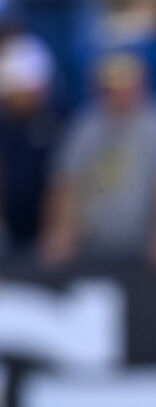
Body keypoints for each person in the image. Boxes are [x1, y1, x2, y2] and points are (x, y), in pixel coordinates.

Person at [40, 52, 156, 267]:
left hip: (147, 249)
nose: (120, 96)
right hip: (90, 248)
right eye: (112, 90)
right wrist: (60, 233)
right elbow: (66, 184)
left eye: (127, 88)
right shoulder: (85, 127)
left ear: (141, 87)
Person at [0, 33, 58, 253]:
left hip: (43, 233)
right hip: (8, 233)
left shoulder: (55, 121)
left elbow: (60, 180)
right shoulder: (4, 124)